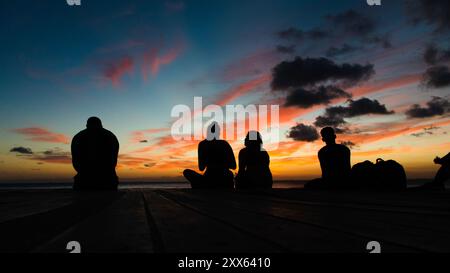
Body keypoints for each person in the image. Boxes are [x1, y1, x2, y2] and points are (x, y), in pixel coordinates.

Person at [183, 122, 236, 189]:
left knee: (187, 172)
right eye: (219, 131)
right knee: (187, 172)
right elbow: (233, 166)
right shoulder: (224, 144)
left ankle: (204, 186)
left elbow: (201, 168)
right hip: (225, 179)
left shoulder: (203, 144)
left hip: (209, 178)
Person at [71, 117, 119, 190]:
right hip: (108, 180)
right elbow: (113, 161)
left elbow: (75, 162)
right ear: (101, 124)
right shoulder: (110, 136)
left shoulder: (78, 137)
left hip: (83, 181)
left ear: (87, 125)